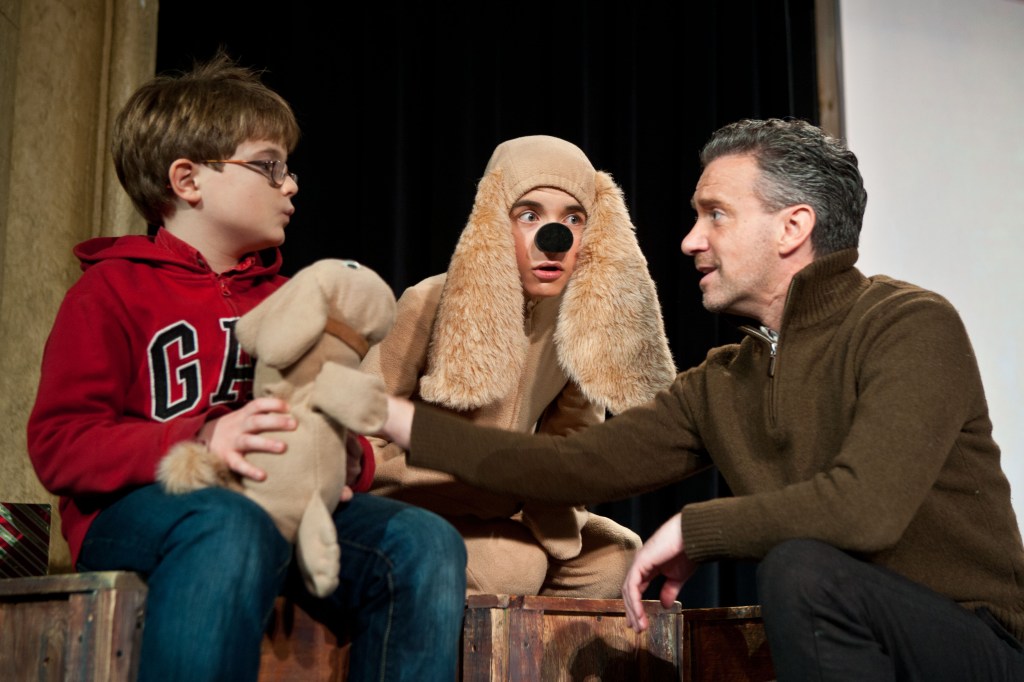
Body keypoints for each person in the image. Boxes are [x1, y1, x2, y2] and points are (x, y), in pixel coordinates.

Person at [378, 118, 1024, 680]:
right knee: (801, 576)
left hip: (978, 643)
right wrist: (398, 421)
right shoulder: (725, 379)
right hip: (853, 634)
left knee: (801, 571)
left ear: (792, 227)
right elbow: (574, 466)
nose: (690, 239)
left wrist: (700, 528)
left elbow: (864, 508)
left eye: (715, 214)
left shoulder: (908, 324)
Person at [26, 53, 466, 682]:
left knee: (425, 543)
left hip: (284, 513)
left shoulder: (295, 299)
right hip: (151, 511)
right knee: (230, 523)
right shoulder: (109, 292)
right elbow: (59, 445)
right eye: (269, 167)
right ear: (188, 180)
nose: (291, 185)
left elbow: (338, 418)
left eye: (288, 169)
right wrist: (202, 437)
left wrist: (349, 461)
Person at [361, 134, 677, 597]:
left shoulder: (577, 317)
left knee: (617, 556)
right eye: (529, 216)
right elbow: (360, 416)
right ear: (493, 221)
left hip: (509, 508)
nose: (555, 239)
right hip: (416, 503)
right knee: (513, 567)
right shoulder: (429, 301)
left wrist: (544, 507)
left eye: (573, 219)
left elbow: (572, 440)